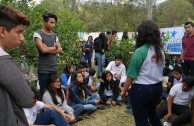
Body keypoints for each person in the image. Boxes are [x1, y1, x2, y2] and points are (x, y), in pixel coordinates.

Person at [121, 20, 165, 126]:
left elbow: (131, 76)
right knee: (152, 113)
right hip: (157, 88)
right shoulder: (160, 50)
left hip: (142, 90)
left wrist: (123, 90)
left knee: (141, 120)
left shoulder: (140, 51)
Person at [0, 5, 35, 126]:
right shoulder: (4, 62)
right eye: (19, 32)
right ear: (2, 31)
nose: (22, 38)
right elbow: (27, 99)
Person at [33, 12, 62, 96]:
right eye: (51, 22)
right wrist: (54, 47)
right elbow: (43, 50)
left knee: (54, 90)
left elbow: (60, 49)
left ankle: (54, 107)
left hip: (54, 68)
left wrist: (49, 48)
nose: (54, 25)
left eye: (54, 23)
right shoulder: (37, 34)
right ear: (44, 22)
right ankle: (43, 109)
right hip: (44, 69)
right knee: (44, 92)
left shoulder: (54, 35)